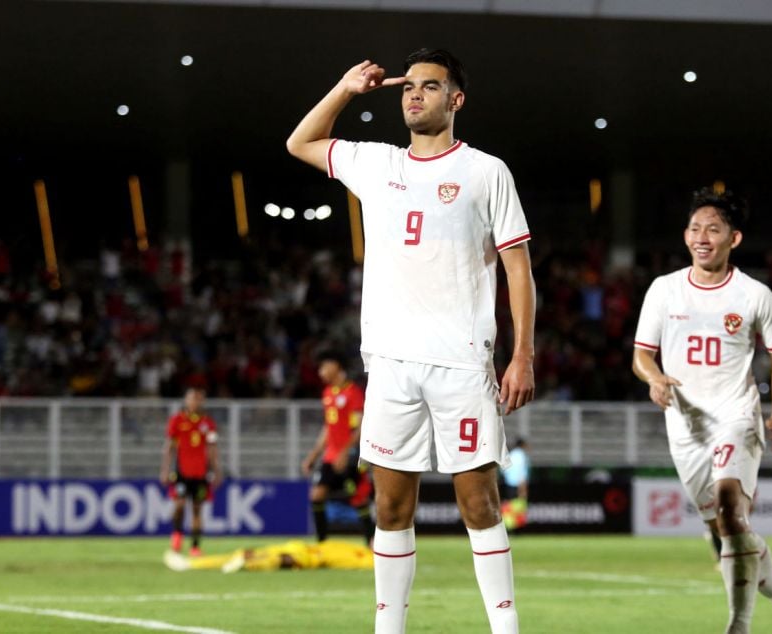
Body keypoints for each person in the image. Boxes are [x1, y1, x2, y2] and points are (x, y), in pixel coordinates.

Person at [287, 48, 536, 634]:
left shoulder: (485, 171)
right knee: (390, 507)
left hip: (462, 363)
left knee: (479, 504)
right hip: (392, 365)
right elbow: (299, 142)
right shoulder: (376, 164)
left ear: (456, 100)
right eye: (408, 87)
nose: (414, 95)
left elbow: (519, 269)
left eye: (429, 86)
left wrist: (521, 353)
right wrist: (347, 89)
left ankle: (506, 629)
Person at [631, 188, 772, 634]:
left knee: (732, 511)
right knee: (731, 531)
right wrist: (654, 378)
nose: (702, 236)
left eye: (713, 229)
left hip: (736, 415)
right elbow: (641, 355)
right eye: (695, 228)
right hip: (685, 428)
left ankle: (739, 624)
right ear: (685, 235)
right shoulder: (664, 289)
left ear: (734, 239)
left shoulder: (754, 295)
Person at [301, 351, 374, 545]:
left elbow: (359, 427)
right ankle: (322, 543)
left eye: (324, 367)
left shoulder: (353, 393)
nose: (320, 372)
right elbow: (328, 428)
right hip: (331, 456)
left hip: (350, 455)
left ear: (336, 367)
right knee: (317, 496)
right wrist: (313, 455)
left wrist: (344, 452)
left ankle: (372, 542)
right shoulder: (327, 394)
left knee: (358, 498)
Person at [160, 387, 222, 557]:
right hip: (182, 472)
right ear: (186, 401)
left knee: (197, 509)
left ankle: (195, 546)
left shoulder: (208, 423)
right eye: (192, 399)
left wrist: (217, 471)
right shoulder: (177, 421)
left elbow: (212, 448)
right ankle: (177, 535)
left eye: (198, 399)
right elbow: (169, 448)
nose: (195, 402)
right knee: (179, 505)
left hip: (201, 474)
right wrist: (165, 470)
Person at [163, 539, 374, 573]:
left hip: (312, 556)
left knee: (280, 560)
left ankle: (249, 565)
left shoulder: (371, 559)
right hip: (302, 546)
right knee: (242, 552)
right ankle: (191, 563)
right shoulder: (361, 548)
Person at [499, 438, 530, 532]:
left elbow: (503, 470)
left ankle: (508, 528)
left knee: (509, 507)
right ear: (523, 445)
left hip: (508, 484)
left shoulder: (511, 454)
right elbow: (521, 472)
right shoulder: (521, 455)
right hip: (518, 484)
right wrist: (523, 488)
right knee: (518, 507)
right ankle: (516, 529)